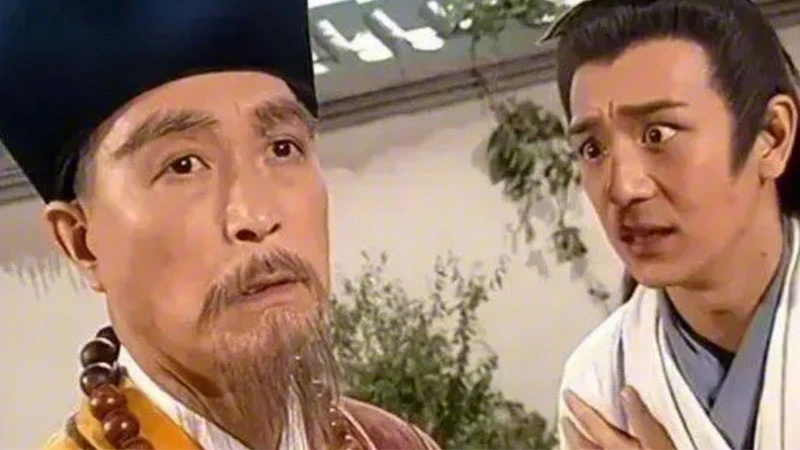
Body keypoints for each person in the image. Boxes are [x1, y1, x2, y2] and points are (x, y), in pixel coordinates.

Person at [0, 2, 441, 449]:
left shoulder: (392, 442)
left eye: (282, 148)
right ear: (81, 242)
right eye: (183, 165)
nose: (257, 216)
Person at [541, 0, 800, 448]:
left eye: (657, 135)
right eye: (593, 149)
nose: (623, 187)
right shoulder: (598, 385)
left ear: (771, 136)